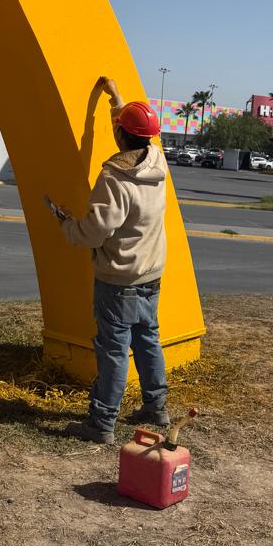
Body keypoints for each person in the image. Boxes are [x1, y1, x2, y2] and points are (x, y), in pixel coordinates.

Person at [48, 77, 169, 444]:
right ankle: (156, 407)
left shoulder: (115, 178)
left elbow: (95, 232)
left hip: (119, 280)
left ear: (119, 135)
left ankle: (101, 424)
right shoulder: (157, 160)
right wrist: (116, 98)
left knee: (113, 351)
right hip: (151, 273)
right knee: (147, 339)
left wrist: (67, 224)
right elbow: (136, 127)